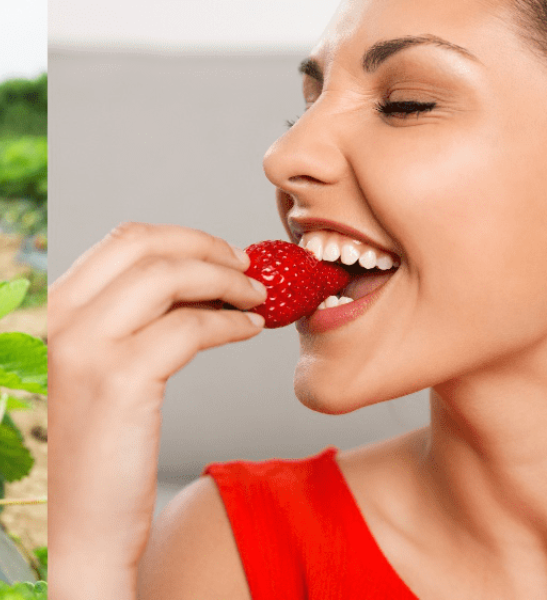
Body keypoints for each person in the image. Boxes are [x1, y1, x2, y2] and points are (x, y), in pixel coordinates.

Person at [48, 0, 547, 598]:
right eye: (304, 108)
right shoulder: (235, 548)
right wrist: (86, 555)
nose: (282, 157)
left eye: (405, 105)